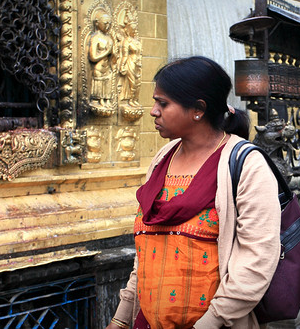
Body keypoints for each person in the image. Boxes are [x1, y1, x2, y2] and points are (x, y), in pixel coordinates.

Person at [106, 56, 281, 329]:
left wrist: (209, 324)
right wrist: (121, 317)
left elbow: (256, 262)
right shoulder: (162, 159)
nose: (153, 111)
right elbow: (147, 252)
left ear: (198, 109)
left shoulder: (246, 165)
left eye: (163, 104)